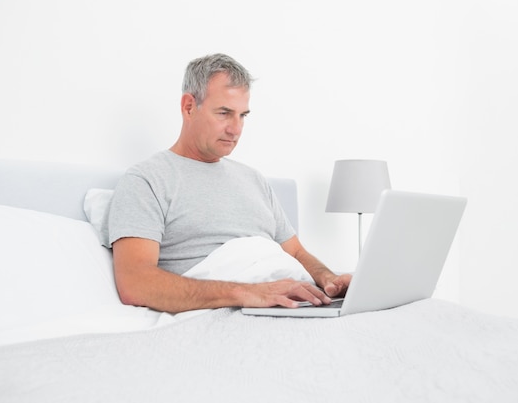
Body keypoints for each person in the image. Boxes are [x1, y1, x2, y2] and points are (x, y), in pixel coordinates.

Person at [103, 53, 351, 313]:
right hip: (232, 311)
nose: (236, 129)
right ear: (189, 106)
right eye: (224, 113)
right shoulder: (147, 180)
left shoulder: (254, 180)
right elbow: (135, 283)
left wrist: (329, 279)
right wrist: (249, 293)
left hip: (291, 303)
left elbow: (297, 254)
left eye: (243, 115)